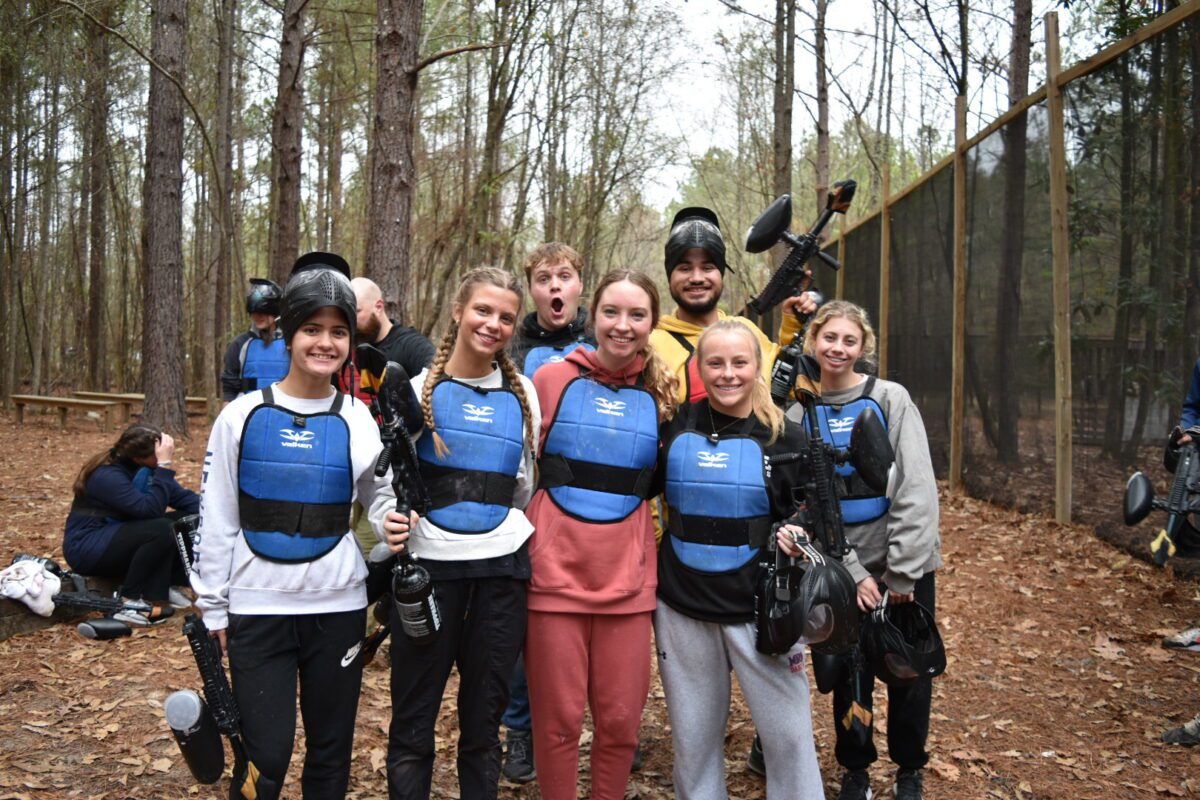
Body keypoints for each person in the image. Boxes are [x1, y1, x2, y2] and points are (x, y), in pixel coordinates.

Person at [193, 252, 412, 798]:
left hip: (337, 608)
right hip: (257, 607)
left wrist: (392, 522)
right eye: (312, 329)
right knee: (264, 758)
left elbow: (381, 494)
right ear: (289, 334)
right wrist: (213, 605)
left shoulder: (358, 417)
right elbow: (216, 515)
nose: (325, 343)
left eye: (338, 332)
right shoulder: (240, 416)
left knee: (330, 753)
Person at [649, 205, 816, 776]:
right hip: (681, 579)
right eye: (684, 266)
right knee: (694, 735)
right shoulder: (654, 352)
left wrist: (792, 332)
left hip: (757, 590)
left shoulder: (779, 421)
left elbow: (783, 406)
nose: (727, 373)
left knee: (789, 737)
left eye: (708, 266)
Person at [385, 266, 541, 800]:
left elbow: (522, 486)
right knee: (413, 723)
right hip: (428, 576)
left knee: (483, 727)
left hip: (501, 575)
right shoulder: (413, 391)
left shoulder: (523, 395)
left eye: (506, 317)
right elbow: (391, 485)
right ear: (458, 312)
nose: (493, 324)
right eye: (482, 310)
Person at [523, 270, 677, 799]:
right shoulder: (549, 380)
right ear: (593, 315)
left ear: (652, 324)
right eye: (612, 312)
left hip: (628, 582)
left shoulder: (662, 395)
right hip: (553, 577)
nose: (622, 325)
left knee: (618, 723)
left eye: (637, 315)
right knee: (558, 722)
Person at [784, 301, 940, 800]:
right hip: (837, 569)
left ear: (863, 347)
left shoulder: (889, 399)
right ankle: (856, 769)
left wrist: (903, 573)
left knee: (906, 667)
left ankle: (909, 769)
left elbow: (916, 487)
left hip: (899, 567)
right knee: (847, 668)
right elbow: (801, 503)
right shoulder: (797, 411)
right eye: (829, 338)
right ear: (813, 341)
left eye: (849, 340)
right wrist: (848, 572)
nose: (838, 348)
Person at [500, 242, 596, 783]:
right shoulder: (509, 346)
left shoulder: (603, 339)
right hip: (525, 503)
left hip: (591, 503)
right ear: (532, 288)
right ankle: (521, 730)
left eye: (564, 276)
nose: (554, 286)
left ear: (580, 284)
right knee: (527, 621)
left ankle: (607, 727)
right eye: (543, 278)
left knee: (594, 623)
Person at [649, 206, 815, 405]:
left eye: (707, 267)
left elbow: (793, 388)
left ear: (721, 274)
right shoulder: (650, 344)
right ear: (670, 276)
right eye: (685, 268)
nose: (697, 277)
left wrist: (793, 328)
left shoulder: (745, 331)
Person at [63, 423, 199, 625]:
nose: (164, 458)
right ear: (138, 457)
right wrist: (164, 467)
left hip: (116, 537)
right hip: (86, 547)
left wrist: (219, 509)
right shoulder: (107, 475)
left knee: (184, 520)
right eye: (159, 455)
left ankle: (165, 587)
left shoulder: (145, 469)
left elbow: (185, 500)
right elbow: (149, 511)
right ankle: (128, 602)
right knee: (161, 528)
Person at [342, 276, 436, 559]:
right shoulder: (349, 348)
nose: (350, 321)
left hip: (390, 474)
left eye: (356, 312)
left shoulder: (410, 345)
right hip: (354, 465)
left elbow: (436, 377)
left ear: (379, 306)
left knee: (367, 551)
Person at [221, 277, 288, 400]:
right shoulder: (239, 344)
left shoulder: (291, 343)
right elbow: (229, 389)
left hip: (285, 407)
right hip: (248, 408)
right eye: (254, 312)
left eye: (262, 312)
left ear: (275, 311)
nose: (257, 317)